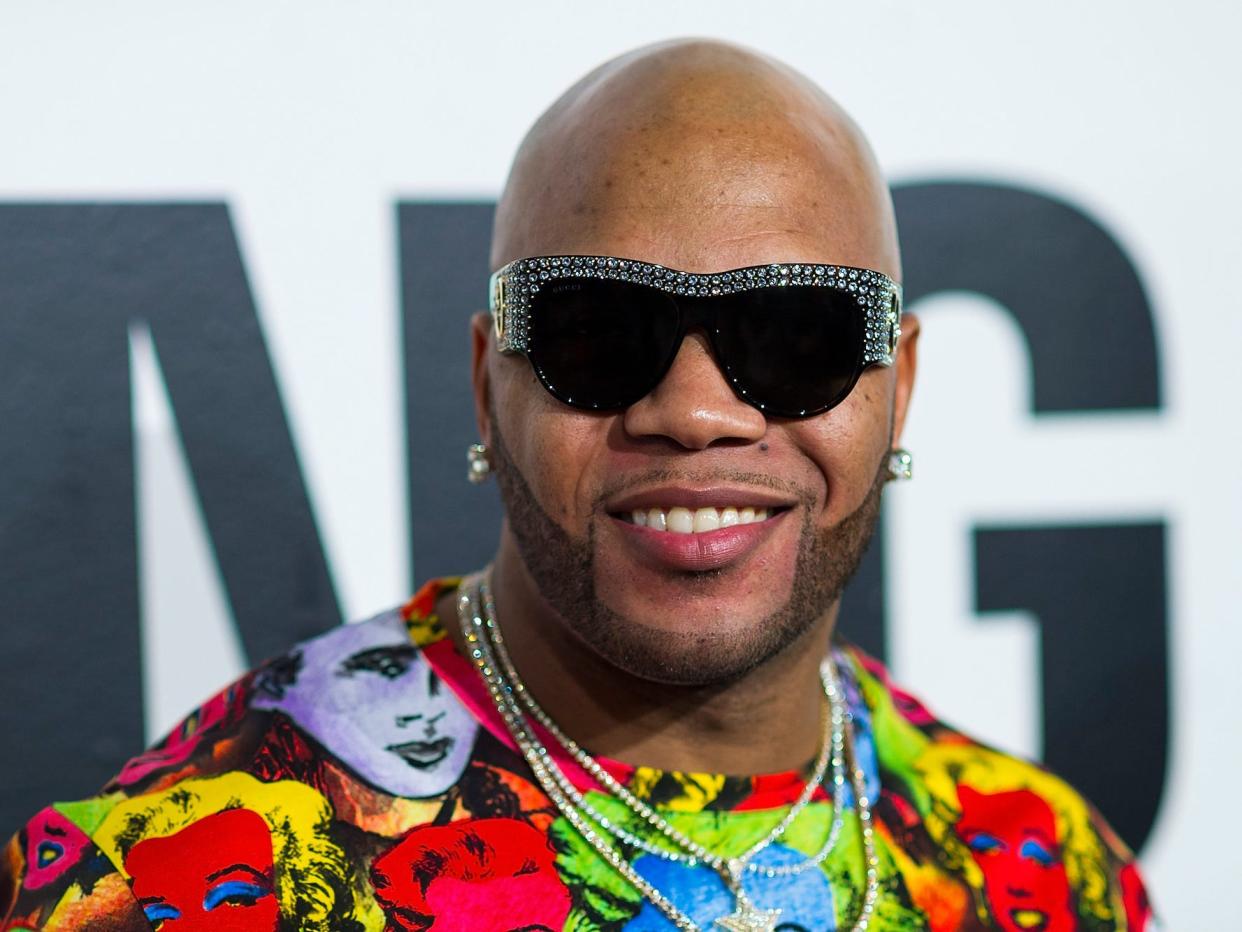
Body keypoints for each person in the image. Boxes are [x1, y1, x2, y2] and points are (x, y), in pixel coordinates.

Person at [0, 39, 1153, 931]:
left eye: (796, 334)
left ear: (895, 387)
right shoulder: (188, 871)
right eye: (600, 332)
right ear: (486, 383)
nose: (698, 412)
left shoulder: (1043, 867)